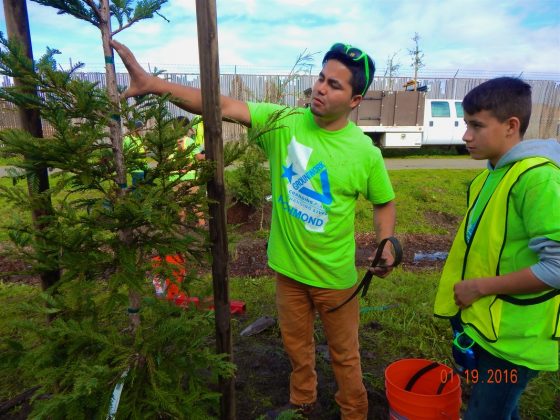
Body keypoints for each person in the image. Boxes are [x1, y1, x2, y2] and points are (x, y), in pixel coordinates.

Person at [111, 39, 397, 419]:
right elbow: (222, 105)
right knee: (297, 349)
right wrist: (155, 86)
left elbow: (384, 202)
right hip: (288, 272)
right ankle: (302, 404)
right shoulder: (284, 123)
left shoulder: (365, 152)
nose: (320, 88)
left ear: (355, 100)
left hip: (336, 278)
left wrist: (386, 245)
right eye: (321, 78)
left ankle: (354, 411)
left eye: (335, 85)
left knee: (345, 355)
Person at [433, 77, 560, 419]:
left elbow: (558, 267)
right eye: (465, 124)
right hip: (489, 330)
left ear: (511, 126)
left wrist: (480, 287)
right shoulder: (490, 174)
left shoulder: (538, 179)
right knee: (499, 409)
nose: (465, 136)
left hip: (516, 341)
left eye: (476, 125)